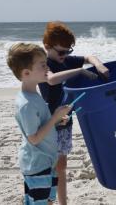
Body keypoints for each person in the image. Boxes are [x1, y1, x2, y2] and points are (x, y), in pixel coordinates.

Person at [38, 21, 110, 205]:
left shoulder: (66, 60)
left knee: (61, 166)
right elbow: (52, 80)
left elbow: (89, 56)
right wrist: (79, 71)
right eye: (61, 52)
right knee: (49, 168)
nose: (65, 55)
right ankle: (47, 201)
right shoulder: (43, 64)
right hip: (48, 123)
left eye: (68, 51)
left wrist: (99, 65)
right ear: (47, 47)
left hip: (65, 121)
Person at [7, 43, 72, 205]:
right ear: (26, 73)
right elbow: (34, 139)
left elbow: (41, 126)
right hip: (37, 164)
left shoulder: (34, 95)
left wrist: (57, 121)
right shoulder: (26, 104)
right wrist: (54, 116)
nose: (47, 68)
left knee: (48, 200)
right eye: (42, 65)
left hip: (48, 160)